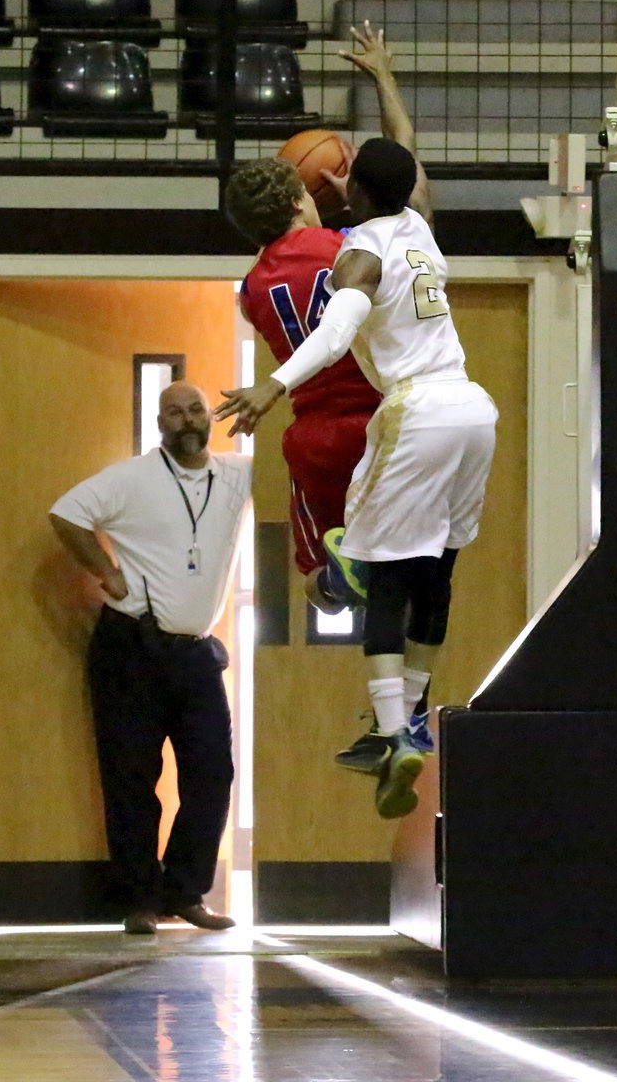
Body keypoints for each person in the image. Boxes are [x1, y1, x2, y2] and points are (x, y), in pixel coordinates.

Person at [215, 139, 498, 822]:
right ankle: (412, 714)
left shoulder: (296, 274)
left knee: (377, 576)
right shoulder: (412, 230)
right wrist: (385, 94)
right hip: (467, 409)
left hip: (376, 418)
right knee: (435, 573)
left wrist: (272, 385)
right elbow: (412, 174)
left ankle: (389, 721)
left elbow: (336, 330)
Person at [224, 21, 423, 618]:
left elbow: (291, 266)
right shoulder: (353, 245)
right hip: (382, 418)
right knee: (417, 564)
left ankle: (338, 584)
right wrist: (383, 77)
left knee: (315, 584)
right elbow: (407, 168)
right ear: (299, 200)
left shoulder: (251, 291)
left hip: (314, 434)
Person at [48, 380, 251, 934]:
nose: (186, 420)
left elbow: (295, 467)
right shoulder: (131, 478)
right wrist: (106, 572)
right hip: (129, 648)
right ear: (160, 423)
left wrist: (266, 397)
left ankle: (185, 893)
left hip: (196, 653)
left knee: (212, 773)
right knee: (132, 778)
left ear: (210, 417)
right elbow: (65, 515)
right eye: (174, 413)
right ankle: (139, 900)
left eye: (195, 410)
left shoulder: (238, 474)